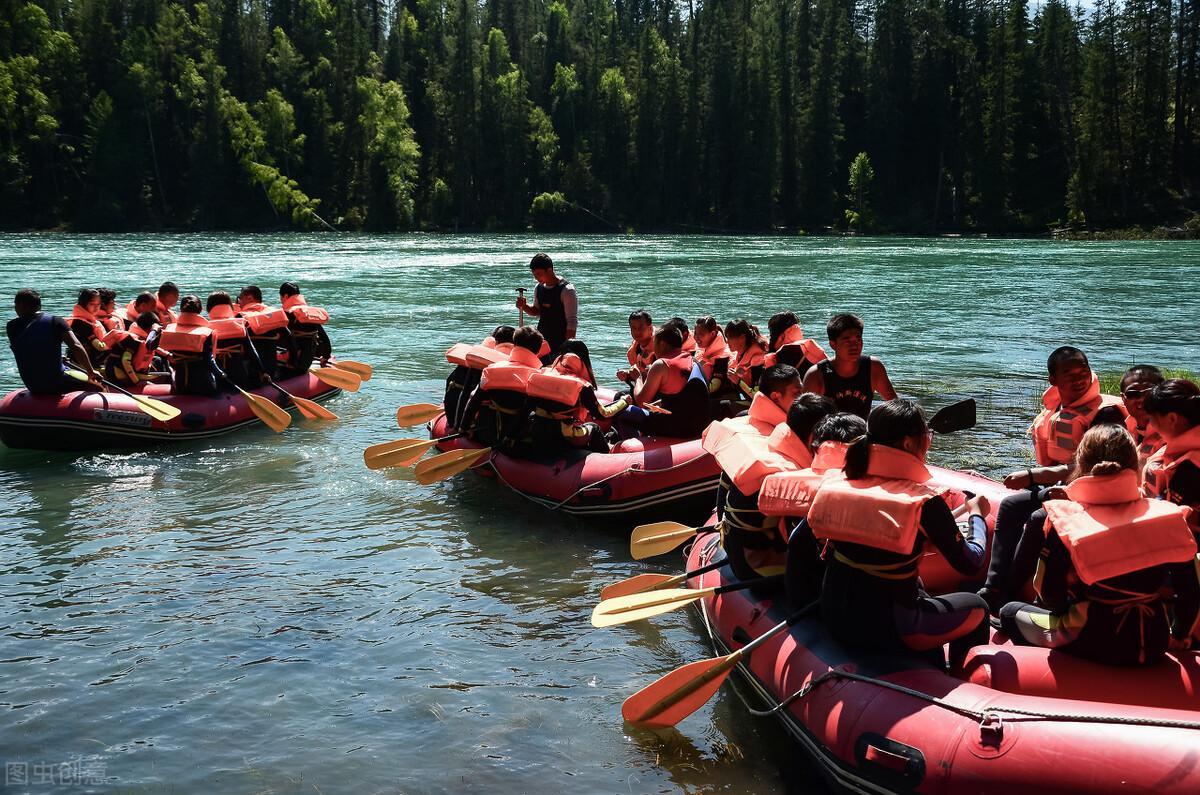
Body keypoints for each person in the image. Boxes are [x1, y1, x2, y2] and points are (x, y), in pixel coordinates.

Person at [807, 399, 990, 670]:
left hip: (836, 617)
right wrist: (976, 516)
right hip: (889, 628)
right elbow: (971, 562)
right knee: (978, 606)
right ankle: (961, 684)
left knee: (917, 589)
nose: (928, 442)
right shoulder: (925, 503)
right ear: (907, 444)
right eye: (925, 436)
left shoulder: (840, 484)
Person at [999, 424, 1198, 664]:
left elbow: (1049, 594)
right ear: (1136, 465)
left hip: (1091, 637)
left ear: (1081, 464)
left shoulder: (1065, 519)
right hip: (1155, 640)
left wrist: (1073, 601)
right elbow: (1190, 595)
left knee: (1009, 612)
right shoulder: (1170, 516)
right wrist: (1178, 636)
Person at [978, 346, 1127, 612]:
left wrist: (1034, 475)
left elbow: (1095, 469)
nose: (1079, 378)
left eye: (1083, 371)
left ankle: (1009, 590)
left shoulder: (1106, 414)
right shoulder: (1059, 408)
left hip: (1091, 488)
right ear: (1054, 380)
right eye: (1069, 373)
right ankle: (993, 586)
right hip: (1061, 484)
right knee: (1012, 506)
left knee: (1038, 517)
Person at [707, 391, 837, 582]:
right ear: (814, 436)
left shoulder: (769, 450)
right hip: (759, 566)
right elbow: (797, 542)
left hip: (737, 547)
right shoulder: (786, 477)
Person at [764, 411, 868, 606]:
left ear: (816, 448)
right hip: (832, 603)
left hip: (807, 595)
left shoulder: (795, 489)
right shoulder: (861, 497)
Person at [527, 342, 626, 454]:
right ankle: (607, 461)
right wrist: (624, 402)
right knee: (594, 428)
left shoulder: (539, 374)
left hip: (536, 430)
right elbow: (603, 414)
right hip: (564, 435)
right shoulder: (581, 386)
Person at [619, 324, 711, 440]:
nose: (653, 348)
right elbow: (684, 397)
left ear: (662, 344)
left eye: (654, 342)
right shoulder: (693, 360)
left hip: (678, 428)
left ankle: (632, 451)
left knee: (625, 413)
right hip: (697, 427)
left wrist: (637, 377)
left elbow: (641, 400)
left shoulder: (662, 364)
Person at [459, 327, 544, 448]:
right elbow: (527, 412)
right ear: (538, 350)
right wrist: (510, 436)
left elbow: (474, 401)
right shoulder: (539, 377)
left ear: (514, 344)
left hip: (486, 434)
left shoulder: (491, 369)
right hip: (516, 441)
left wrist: (464, 427)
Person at [801, 313, 896, 420]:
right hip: (829, 434)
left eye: (858, 339)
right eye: (847, 341)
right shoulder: (816, 375)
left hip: (862, 433)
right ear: (833, 344)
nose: (854, 346)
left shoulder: (873, 367)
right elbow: (805, 418)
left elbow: (895, 404)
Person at [7, 288, 102, 393]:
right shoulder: (56, 322)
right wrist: (91, 371)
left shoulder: (11, 327)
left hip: (32, 385)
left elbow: (27, 349)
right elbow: (76, 346)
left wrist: (56, 357)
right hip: (58, 381)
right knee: (98, 386)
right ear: (39, 306)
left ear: (20, 305)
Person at [1142, 379, 1200, 512]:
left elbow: (1165, 517)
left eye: (1152, 419)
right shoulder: (1182, 450)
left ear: (1172, 419)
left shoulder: (1189, 470)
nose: (1151, 426)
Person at [158, 295, 227, 396]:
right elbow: (209, 360)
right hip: (203, 384)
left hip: (180, 383)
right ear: (201, 309)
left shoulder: (170, 330)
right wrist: (221, 374)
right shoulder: (206, 333)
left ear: (181, 309)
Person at [515, 253, 577, 360]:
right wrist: (524, 306)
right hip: (541, 342)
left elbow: (572, 321)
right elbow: (536, 312)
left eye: (539, 274)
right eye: (534, 275)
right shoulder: (538, 288)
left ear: (549, 270)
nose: (536, 278)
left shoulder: (567, 290)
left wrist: (567, 348)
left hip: (560, 341)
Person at [208, 291, 267, 389]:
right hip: (238, 374)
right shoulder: (239, 325)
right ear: (229, 306)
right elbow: (251, 351)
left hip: (217, 375)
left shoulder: (205, 328)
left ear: (209, 308)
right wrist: (263, 371)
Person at [236, 285, 294, 382]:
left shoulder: (240, 317)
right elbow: (290, 339)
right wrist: (292, 361)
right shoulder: (274, 315)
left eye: (240, 298)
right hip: (271, 370)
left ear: (250, 298)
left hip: (250, 372)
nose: (239, 302)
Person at [279, 282, 331, 376]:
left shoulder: (287, 314)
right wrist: (326, 356)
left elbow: (289, 341)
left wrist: (291, 362)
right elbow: (325, 338)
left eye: (281, 297)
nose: (281, 301)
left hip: (294, 363)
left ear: (285, 296)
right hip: (308, 360)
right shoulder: (308, 314)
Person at [1119, 364, 1166, 464]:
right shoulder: (1121, 432)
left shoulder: (1174, 433)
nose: (1142, 399)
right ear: (1123, 398)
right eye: (1132, 394)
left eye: (1149, 392)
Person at [104, 311, 162, 384]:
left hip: (129, 371)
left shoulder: (142, 339)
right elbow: (125, 361)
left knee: (158, 361)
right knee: (153, 383)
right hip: (118, 374)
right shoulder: (132, 340)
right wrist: (136, 381)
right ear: (150, 328)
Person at [68, 288, 112, 366]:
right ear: (83, 304)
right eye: (92, 304)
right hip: (85, 362)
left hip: (93, 358)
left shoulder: (92, 320)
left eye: (98, 304)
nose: (96, 307)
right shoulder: (80, 323)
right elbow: (99, 346)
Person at [616, 310, 655, 384]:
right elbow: (639, 374)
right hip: (645, 386)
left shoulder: (661, 347)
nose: (637, 332)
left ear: (650, 329)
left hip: (660, 391)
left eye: (641, 328)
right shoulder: (635, 349)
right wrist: (627, 374)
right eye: (633, 328)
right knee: (619, 395)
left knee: (620, 395)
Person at [692, 316, 729, 383]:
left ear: (712, 334)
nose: (696, 337)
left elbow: (715, 386)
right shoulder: (701, 350)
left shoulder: (722, 357)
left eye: (701, 334)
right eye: (695, 333)